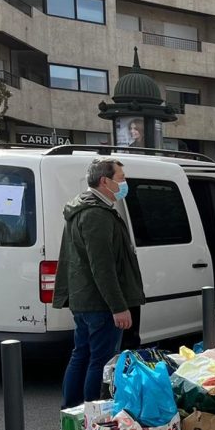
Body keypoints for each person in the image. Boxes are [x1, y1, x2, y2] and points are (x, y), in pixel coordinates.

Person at [53, 157, 145, 408]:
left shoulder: (82, 209)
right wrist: (118, 306)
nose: (125, 183)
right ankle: (89, 415)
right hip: (99, 302)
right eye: (121, 178)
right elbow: (102, 266)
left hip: (85, 299)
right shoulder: (96, 214)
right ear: (105, 181)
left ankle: (72, 412)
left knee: (81, 355)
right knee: (99, 361)